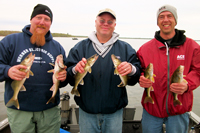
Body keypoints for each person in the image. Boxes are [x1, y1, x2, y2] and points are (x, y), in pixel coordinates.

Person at [66, 8, 141, 133]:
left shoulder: (126, 48)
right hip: (87, 112)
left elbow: (135, 78)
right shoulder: (80, 47)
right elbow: (67, 77)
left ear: (115, 25)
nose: (105, 24)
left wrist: (132, 70)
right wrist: (74, 69)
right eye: (102, 20)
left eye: (110, 21)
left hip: (114, 113)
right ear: (95, 22)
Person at [0, 4, 68, 133]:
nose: (42, 22)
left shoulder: (57, 47)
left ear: (50, 23)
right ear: (31, 19)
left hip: (49, 110)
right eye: (38, 17)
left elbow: (63, 80)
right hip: (20, 111)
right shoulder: (10, 41)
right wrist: (7, 71)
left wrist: (64, 77)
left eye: (47, 19)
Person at [137, 4, 200, 133]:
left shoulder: (192, 46)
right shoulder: (145, 49)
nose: (165, 20)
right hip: (152, 109)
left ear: (175, 20)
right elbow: (139, 70)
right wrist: (141, 78)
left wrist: (188, 84)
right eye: (161, 17)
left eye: (169, 16)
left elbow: (198, 70)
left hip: (179, 110)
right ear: (157, 22)